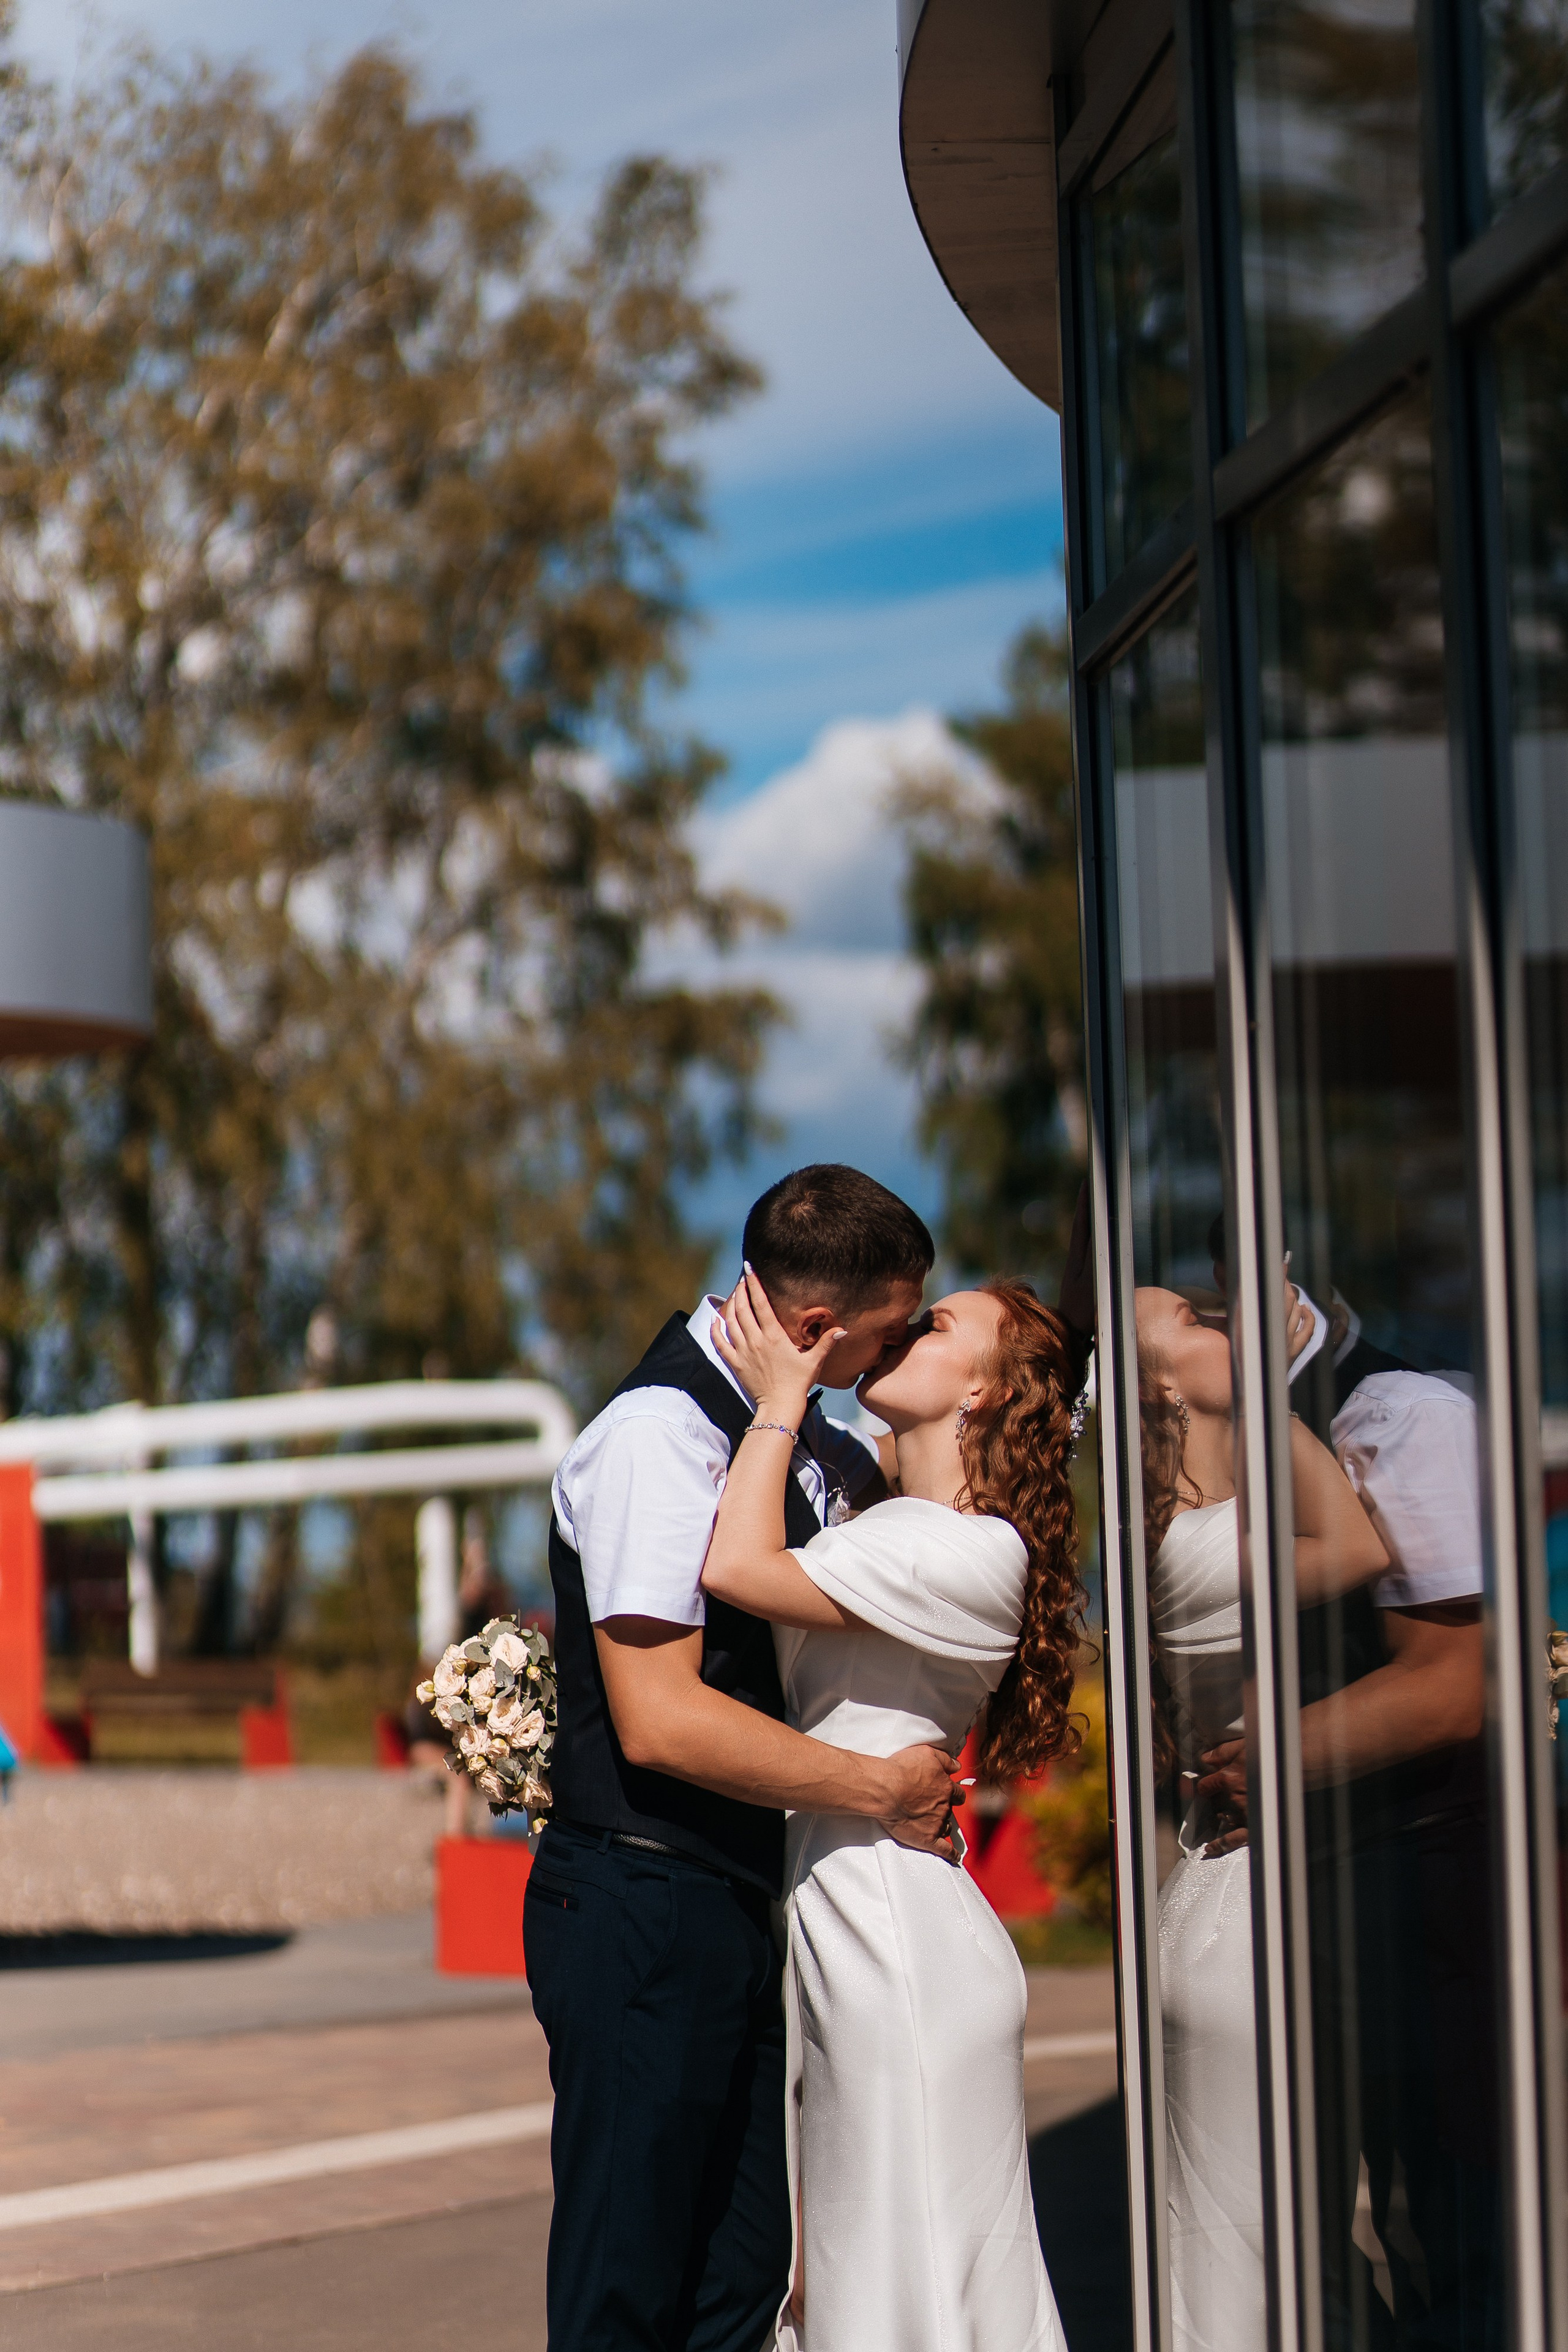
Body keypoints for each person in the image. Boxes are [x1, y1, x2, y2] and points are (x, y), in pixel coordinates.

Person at [523, 1165, 962, 2352]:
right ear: (814, 1331)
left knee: (738, 2281)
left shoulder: (804, 1444)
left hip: (725, 1901)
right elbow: (660, 1718)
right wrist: (878, 1791)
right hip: (638, 1897)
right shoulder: (657, 1439)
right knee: (629, 2286)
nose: (896, 1353)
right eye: (888, 1334)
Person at [702, 1265, 1084, 2351]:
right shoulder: (889, 1516)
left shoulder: (971, 1548)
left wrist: (783, 1392)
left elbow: (735, 1564)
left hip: (896, 1943)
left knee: (897, 2285)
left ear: (986, 1391)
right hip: (856, 1904)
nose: (907, 1328)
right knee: (863, 2277)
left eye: (938, 1323)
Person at [1134, 1284, 1388, 2352]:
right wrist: (1278, 1392)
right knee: (1255, 2245)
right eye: (1196, 1323)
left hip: (1227, 1892)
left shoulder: (1194, 1525)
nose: (1225, 1324)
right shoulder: (1197, 1547)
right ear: (1161, 1391)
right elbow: (1359, 1549)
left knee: (1257, 2233)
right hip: (1239, 1913)